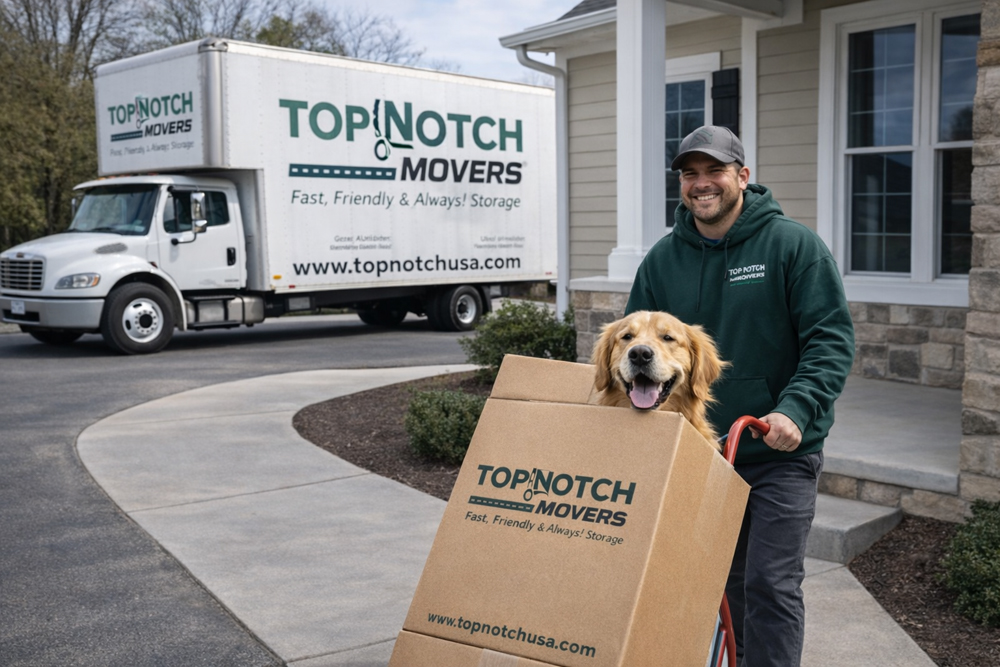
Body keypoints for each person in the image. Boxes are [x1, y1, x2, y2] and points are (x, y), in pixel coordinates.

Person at [625, 125, 855, 666]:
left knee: (771, 585)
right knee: (725, 588)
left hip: (779, 451)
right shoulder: (661, 261)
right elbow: (634, 348)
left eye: (714, 171)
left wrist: (795, 409)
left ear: (743, 177)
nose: (701, 184)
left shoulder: (793, 246)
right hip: (700, 456)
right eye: (690, 174)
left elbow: (830, 339)